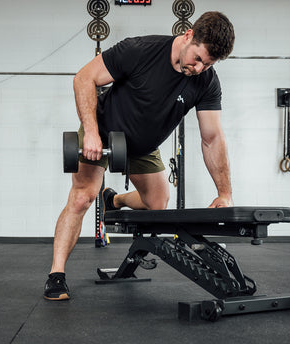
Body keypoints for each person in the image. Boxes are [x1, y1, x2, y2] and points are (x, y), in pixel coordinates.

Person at [44, 11, 235, 301]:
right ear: (188, 36)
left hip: (143, 146)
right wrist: (92, 133)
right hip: (104, 131)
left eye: (207, 64)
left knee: (158, 202)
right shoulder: (140, 50)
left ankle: (115, 200)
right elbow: (84, 78)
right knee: (83, 196)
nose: (198, 68)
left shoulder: (206, 81)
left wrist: (225, 192)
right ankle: (56, 275)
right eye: (197, 58)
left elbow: (212, 137)